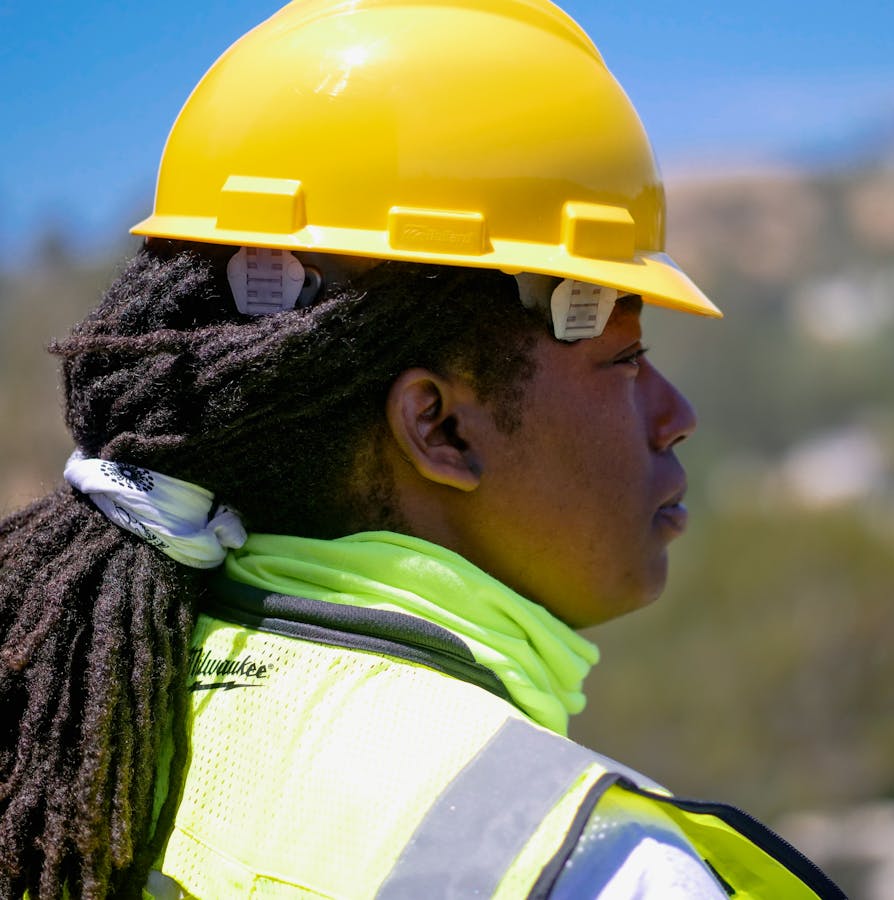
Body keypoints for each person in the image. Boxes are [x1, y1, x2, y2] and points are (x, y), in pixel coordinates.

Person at [0, 1, 846, 898]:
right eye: (625, 358)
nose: (676, 414)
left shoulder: (73, 710)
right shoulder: (591, 868)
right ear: (439, 428)